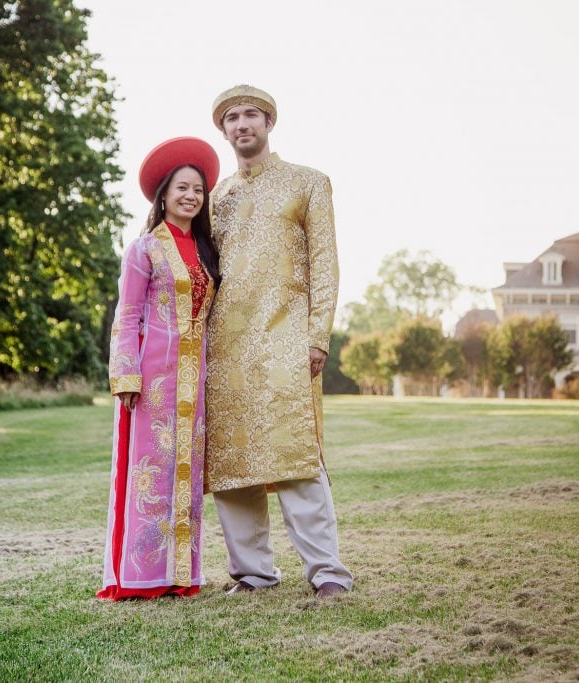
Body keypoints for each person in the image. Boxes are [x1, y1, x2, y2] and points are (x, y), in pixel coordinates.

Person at [204, 85, 353, 597]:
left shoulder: (308, 183)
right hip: (224, 348)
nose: (242, 124)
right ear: (222, 130)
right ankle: (253, 573)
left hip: (286, 340)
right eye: (232, 118)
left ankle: (328, 572)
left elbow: (326, 264)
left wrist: (317, 337)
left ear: (269, 123)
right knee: (231, 463)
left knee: (296, 458)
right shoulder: (215, 197)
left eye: (251, 115)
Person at [98, 137, 221, 600]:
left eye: (198, 190)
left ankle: (180, 575)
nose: (191, 196)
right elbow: (127, 315)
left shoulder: (208, 253)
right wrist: (126, 376)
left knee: (185, 475)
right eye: (182, 188)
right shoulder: (143, 249)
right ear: (164, 194)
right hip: (152, 379)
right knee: (149, 473)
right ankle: (139, 576)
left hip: (196, 381)